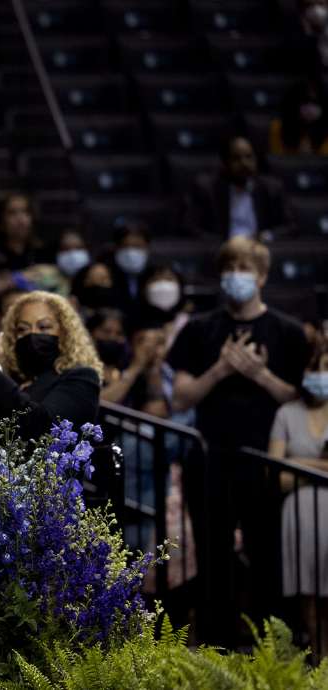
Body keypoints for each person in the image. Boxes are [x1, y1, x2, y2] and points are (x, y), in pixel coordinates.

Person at [167, 236, 310, 646]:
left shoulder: (289, 331)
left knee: (268, 555)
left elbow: (301, 399)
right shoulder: (198, 330)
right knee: (214, 556)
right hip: (210, 458)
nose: (235, 277)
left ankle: (273, 645)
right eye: (228, 268)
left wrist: (259, 375)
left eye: (244, 269)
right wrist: (220, 370)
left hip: (267, 460)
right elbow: (180, 397)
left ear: (262, 276)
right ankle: (217, 644)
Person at [0, 290, 103, 440]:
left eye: (44, 327)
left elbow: (44, 427)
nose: (33, 334)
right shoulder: (8, 380)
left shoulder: (81, 377)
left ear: (65, 333)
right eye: (22, 329)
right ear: (13, 337)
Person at [273, 340, 328, 655]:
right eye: (315, 368)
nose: (321, 375)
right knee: (308, 592)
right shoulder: (286, 413)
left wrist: (300, 464)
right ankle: (320, 662)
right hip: (300, 513)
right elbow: (278, 478)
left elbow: (287, 468)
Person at [183, 136, 293, 240]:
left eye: (249, 157)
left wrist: (266, 236)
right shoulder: (206, 189)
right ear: (224, 163)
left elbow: (290, 226)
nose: (244, 163)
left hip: (259, 249)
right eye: (236, 158)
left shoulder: (272, 188)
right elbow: (189, 227)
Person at [270, 76, 328, 156]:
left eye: (315, 102)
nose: (310, 108)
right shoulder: (278, 127)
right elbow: (278, 161)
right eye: (305, 101)